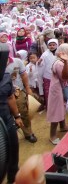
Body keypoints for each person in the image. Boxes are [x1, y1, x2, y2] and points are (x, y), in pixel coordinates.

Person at [0, 43, 24, 183]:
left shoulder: (6, 77)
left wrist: (17, 116)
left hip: (6, 120)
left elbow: (10, 98)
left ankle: (13, 179)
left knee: (13, 151)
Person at [5, 52, 38, 143]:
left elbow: (23, 75)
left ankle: (28, 133)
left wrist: (27, 88)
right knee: (6, 116)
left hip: (18, 92)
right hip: (3, 94)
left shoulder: (17, 61)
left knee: (23, 112)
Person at [47, 43, 68, 145]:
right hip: (57, 91)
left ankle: (63, 126)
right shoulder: (59, 63)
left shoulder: (62, 61)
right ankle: (52, 136)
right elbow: (65, 77)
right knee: (56, 112)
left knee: (61, 108)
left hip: (61, 89)